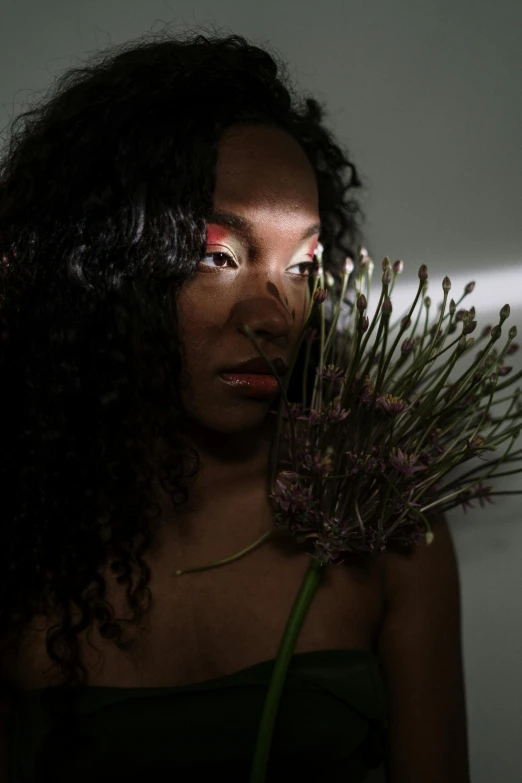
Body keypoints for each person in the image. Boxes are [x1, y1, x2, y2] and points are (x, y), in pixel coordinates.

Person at [0, 27, 470, 782]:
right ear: (103, 267)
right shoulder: (22, 525)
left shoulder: (379, 517)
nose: (276, 313)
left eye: (302, 265)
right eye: (218, 256)